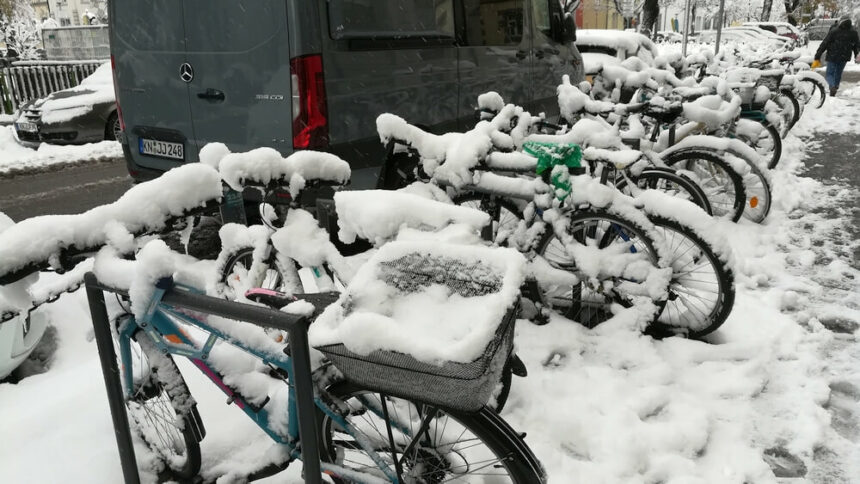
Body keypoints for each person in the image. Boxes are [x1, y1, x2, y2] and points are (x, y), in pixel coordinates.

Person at [813, 16, 860, 96]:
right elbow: (857, 46)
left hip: (833, 55)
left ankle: (832, 87)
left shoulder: (834, 31)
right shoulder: (853, 33)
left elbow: (825, 43)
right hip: (844, 56)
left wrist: (818, 54)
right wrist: (857, 55)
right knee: (838, 72)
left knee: (829, 73)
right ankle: (836, 86)